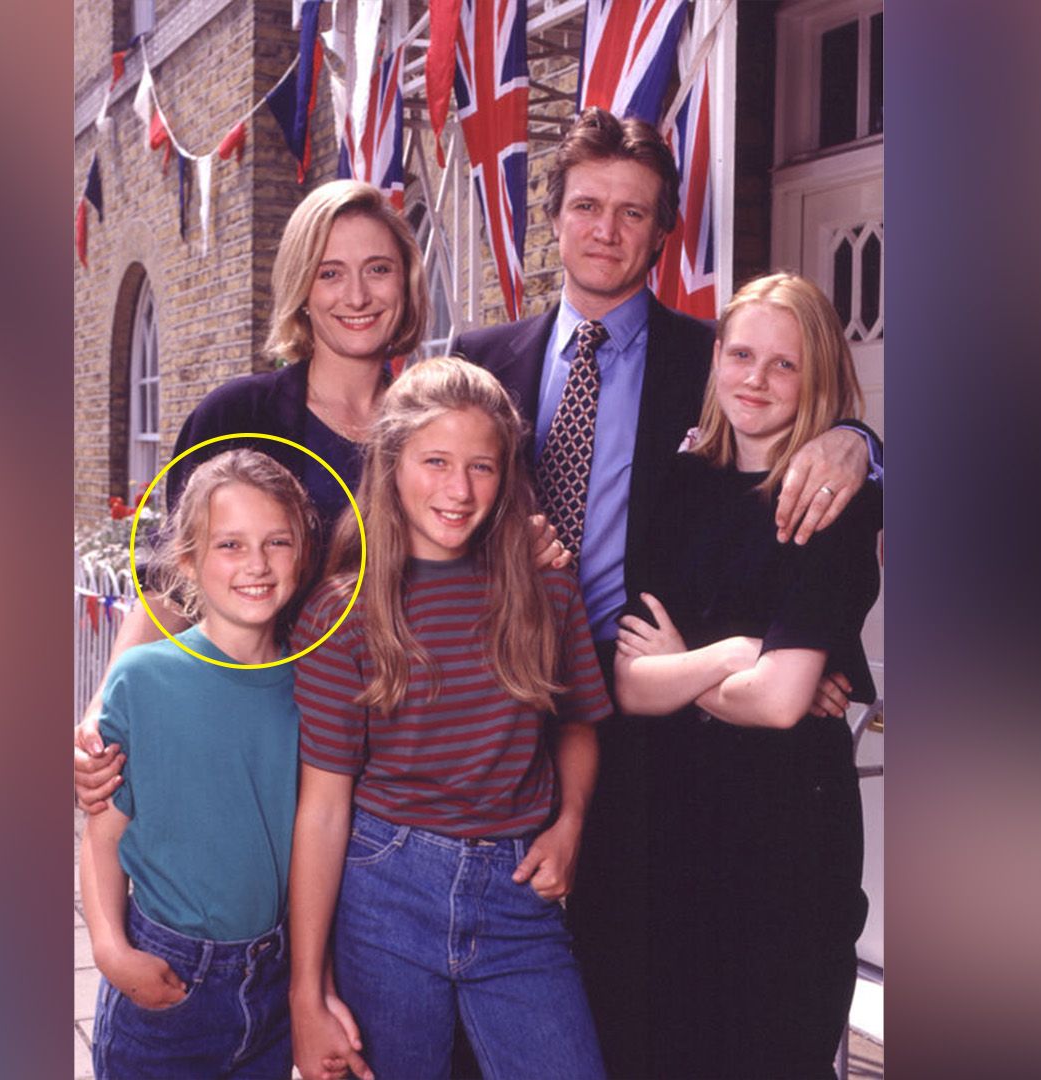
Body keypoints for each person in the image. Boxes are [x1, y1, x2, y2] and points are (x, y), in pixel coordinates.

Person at [449, 106, 882, 1074]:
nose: (607, 230)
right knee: (475, 1004)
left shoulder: (711, 364)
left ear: (662, 232)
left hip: (651, 744)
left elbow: (797, 438)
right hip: (492, 719)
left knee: (636, 997)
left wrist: (862, 445)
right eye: (588, 206)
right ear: (553, 217)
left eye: (633, 212)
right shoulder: (478, 363)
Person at [286, 358, 610, 1080]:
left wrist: (571, 824)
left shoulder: (545, 586)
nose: (459, 491)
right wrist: (307, 991)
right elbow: (324, 809)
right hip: (384, 892)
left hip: (518, 895)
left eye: (482, 467)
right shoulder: (342, 613)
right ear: (392, 462)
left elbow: (580, 723)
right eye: (435, 461)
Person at [75, 179, 432, 807]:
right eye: (329, 273)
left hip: (402, 763)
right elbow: (174, 587)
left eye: (378, 269)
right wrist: (101, 713)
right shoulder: (238, 416)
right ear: (301, 289)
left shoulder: (435, 429)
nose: (357, 295)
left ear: (405, 283)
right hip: (254, 749)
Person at [613, 273, 881, 1079]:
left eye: (783, 365)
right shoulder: (677, 488)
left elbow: (779, 702)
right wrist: (735, 656)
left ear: (818, 377)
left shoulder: (834, 501)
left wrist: (684, 670)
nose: (755, 380)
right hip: (679, 829)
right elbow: (631, 684)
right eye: (740, 354)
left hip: (787, 844)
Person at [78, 449, 369, 1080]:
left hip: (271, 980)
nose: (257, 565)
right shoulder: (142, 679)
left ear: (304, 553)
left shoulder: (312, 682)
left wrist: (309, 984)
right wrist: (109, 949)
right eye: (230, 545)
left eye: (277, 542)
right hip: (166, 982)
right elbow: (102, 838)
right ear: (187, 559)